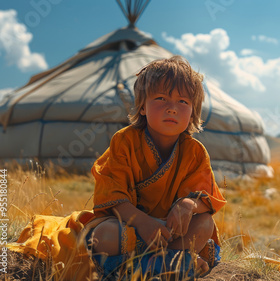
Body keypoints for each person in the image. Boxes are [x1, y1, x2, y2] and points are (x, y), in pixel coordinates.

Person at [88, 56, 227, 278]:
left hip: (171, 233)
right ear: (142, 107)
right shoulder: (124, 142)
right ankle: (173, 265)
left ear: (192, 111)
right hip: (130, 227)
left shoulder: (195, 151)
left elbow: (208, 198)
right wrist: (142, 223)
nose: (172, 108)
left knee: (205, 223)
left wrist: (189, 205)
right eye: (161, 98)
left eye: (183, 102)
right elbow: (111, 196)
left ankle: (158, 264)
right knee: (105, 235)